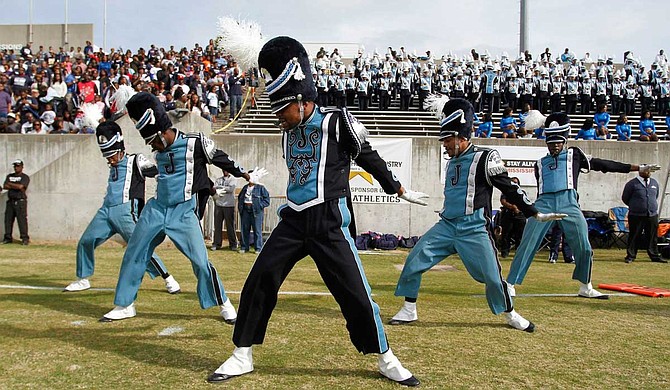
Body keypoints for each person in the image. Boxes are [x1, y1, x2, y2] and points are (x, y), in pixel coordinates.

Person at [209, 36, 426, 387]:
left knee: (355, 292)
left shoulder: (338, 122)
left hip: (329, 221)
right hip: (292, 219)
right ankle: (241, 354)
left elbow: (368, 157)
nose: (278, 117)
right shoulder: (287, 129)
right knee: (260, 279)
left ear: (301, 100)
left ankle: (386, 357)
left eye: (282, 110)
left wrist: (398, 189)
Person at [389, 98, 564, 333]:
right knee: (414, 260)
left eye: (447, 140)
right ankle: (409, 309)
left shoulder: (485, 157)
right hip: (446, 226)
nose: (444, 145)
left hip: (474, 228)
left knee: (492, 277)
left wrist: (533, 212)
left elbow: (509, 187)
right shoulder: (451, 162)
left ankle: (510, 313)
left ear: (461, 138)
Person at [99, 92, 265, 323]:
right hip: (157, 209)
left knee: (199, 260)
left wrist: (245, 174)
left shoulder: (195, 142)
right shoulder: (159, 151)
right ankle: (125, 304)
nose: (153, 146)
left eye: (154, 140)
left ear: (164, 132)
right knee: (134, 252)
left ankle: (223, 302)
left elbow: (220, 158)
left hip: (184, 211)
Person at [507, 113, 661, 299]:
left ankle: (585, 286)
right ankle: (510, 284)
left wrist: (637, 168)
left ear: (565, 141)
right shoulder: (539, 163)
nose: (555, 146)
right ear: (546, 141)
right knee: (527, 243)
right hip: (544, 203)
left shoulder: (574, 155)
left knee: (584, 246)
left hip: (569, 202)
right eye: (551, 143)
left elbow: (603, 164)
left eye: (558, 142)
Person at [63, 120, 181, 294]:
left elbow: (156, 172)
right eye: (107, 156)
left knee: (140, 246)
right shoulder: (113, 166)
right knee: (86, 241)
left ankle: (167, 277)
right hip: (106, 210)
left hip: (127, 212)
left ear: (120, 149)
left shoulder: (136, 159)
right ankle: (83, 278)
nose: (110, 159)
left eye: (112, 155)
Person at [622, 168, 666, 263]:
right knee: (634, 235)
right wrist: (636, 206)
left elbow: (656, 195)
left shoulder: (654, 183)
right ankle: (631, 255)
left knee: (652, 236)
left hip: (651, 214)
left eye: (650, 171)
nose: (648, 172)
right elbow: (625, 198)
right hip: (636, 214)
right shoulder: (632, 184)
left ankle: (654, 255)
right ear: (641, 171)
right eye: (646, 171)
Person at [237, 177, 270, 253]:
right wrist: (241, 207)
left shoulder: (260, 188)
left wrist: (260, 205)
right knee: (244, 229)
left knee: (257, 230)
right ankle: (244, 247)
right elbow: (240, 197)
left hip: (256, 211)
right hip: (245, 209)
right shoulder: (245, 187)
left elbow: (267, 200)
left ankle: (258, 248)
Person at [3, 160, 30, 245]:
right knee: (8, 220)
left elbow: (22, 187)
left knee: (22, 220)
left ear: (22, 167)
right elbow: (5, 186)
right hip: (10, 201)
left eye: (18, 166)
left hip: (20, 201)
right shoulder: (9, 176)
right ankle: (8, 238)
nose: (16, 167)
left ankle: (24, 238)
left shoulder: (25, 177)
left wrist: (11, 185)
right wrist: (16, 186)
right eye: (15, 166)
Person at [498, 177, 527, 258]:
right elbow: (503, 201)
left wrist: (518, 208)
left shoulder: (522, 192)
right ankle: (504, 252)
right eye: (513, 182)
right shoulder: (505, 192)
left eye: (516, 182)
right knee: (506, 235)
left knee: (520, 236)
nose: (514, 184)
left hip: (520, 216)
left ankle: (519, 253)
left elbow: (525, 202)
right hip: (508, 215)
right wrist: (512, 207)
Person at [211, 171, 238, 251]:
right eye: (223, 170)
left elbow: (231, 189)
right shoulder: (218, 179)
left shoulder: (233, 179)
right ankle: (216, 244)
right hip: (219, 204)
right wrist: (222, 188)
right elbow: (214, 188)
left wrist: (221, 187)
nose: (225, 171)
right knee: (217, 225)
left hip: (229, 205)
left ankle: (233, 244)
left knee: (230, 226)